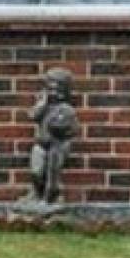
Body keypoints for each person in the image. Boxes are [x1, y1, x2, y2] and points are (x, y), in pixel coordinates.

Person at [26, 67, 79, 204]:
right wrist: (42, 103)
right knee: (36, 171)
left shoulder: (66, 109)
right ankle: (36, 192)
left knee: (52, 174)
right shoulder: (43, 106)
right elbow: (32, 116)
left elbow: (73, 129)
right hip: (41, 144)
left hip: (57, 146)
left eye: (57, 90)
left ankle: (50, 197)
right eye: (50, 89)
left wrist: (61, 129)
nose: (53, 93)